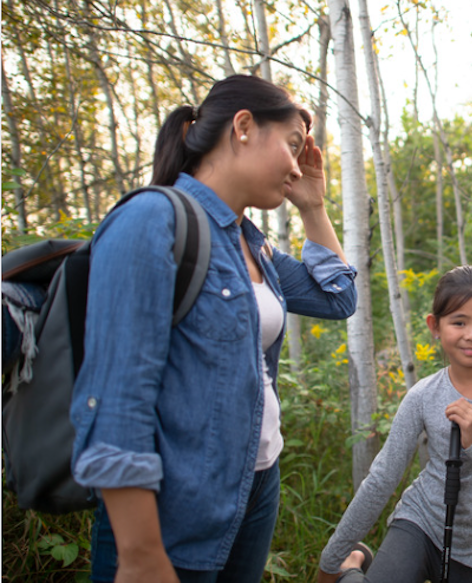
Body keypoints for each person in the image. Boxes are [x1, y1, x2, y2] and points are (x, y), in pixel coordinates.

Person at [69, 74, 358, 582]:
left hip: (255, 487)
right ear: (243, 126)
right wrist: (140, 555)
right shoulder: (151, 221)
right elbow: (115, 400)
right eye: (292, 145)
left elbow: (339, 299)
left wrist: (313, 206)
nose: (296, 165)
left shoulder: (252, 244)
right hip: (173, 509)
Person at [317, 265, 472, 583]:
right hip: (421, 522)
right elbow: (383, 477)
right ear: (435, 326)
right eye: (458, 322)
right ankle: (348, 565)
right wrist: (329, 560)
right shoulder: (423, 396)